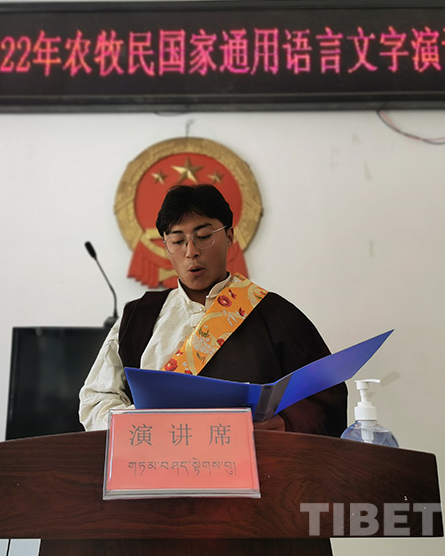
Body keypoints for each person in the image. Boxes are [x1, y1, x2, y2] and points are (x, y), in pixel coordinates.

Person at [79, 184, 346, 435]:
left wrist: (283, 423)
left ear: (229, 236)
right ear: (166, 246)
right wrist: (137, 424)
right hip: (157, 462)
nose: (191, 251)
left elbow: (326, 396)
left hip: (252, 462)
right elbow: (97, 398)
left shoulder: (275, 314)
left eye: (203, 236)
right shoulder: (138, 318)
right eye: (178, 241)